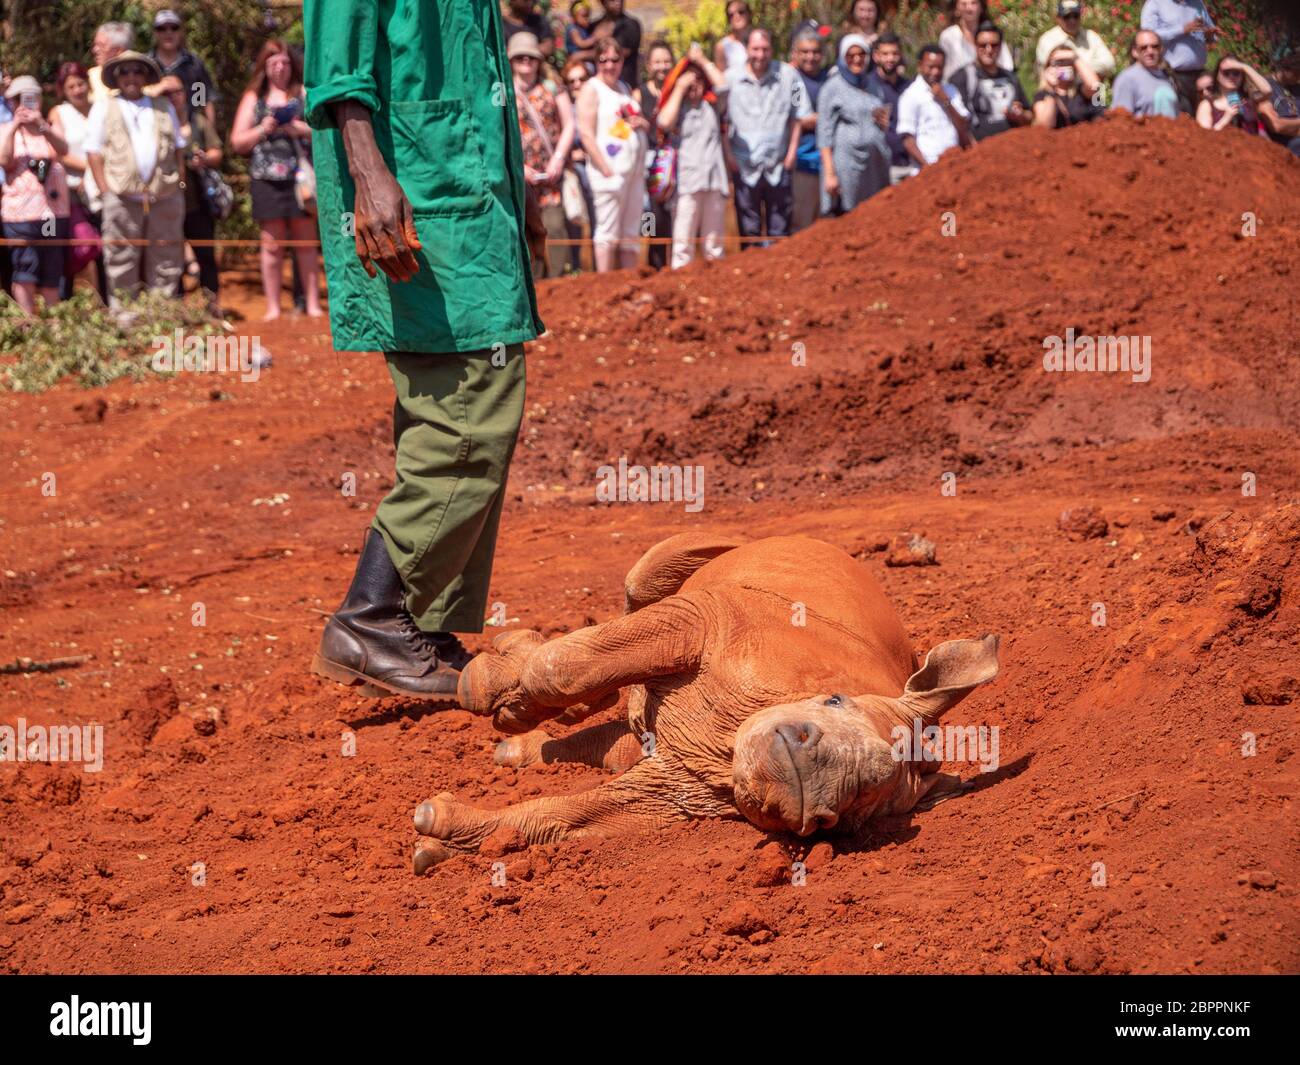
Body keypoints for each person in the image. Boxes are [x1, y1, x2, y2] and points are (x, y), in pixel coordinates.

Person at [304, 0, 543, 697]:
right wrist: (369, 173)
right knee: (471, 403)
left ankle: (415, 619)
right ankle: (371, 616)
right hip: (417, 192)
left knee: (448, 396)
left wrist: (515, 190)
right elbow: (337, 62)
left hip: (464, 191)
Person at [84, 52, 188, 311]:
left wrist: (180, 186)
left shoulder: (163, 107)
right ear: (116, 78)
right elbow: (93, 152)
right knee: (121, 256)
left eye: (137, 71)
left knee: (166, 254)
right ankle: (124, 316)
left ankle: (161, 314)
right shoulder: (103, 107)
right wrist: (105, 191)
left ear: (145, 76)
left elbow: (178, 148)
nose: (131, 76)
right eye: (125, 72)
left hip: (164, 196)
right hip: (121, 196)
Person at [230, 40, 322, 320]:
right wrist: (262, 129)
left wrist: (299, 130)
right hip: (266, 179)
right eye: (273, 63)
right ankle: (272, 308)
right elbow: (237, 142)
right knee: (272, 244)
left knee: (306, 243)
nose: (280, 68)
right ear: (264, 67)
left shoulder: (303, 94)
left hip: (301, 180)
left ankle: (313, 305)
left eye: (284, 62)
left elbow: (322, 132)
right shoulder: (253, 99)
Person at [723, 28, 811, 245]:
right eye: (755, 49)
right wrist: (729, 156)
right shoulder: (730, 78)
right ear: (747, 50)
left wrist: (792, 153)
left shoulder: (790, 76)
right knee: (748, 230)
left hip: (779, 164)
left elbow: (798, 115)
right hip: (743, 165)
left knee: (779, 230)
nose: (760, 55)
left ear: (772, 49)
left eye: (765, 49)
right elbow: (720, 120)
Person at [576, 36, 649, 271]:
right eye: (603, 60)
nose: (609, 65)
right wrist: (607, 171)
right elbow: (586, 134)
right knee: (607, 231)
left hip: (634, 173)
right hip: (608, 173)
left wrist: (640, 123)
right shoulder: (591, 88)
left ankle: (628, 282)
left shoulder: (624, 87)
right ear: (596, 61)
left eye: (615, 60)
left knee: (630, 232)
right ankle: (604, 287)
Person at [0, 76, 70, 313]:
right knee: (25, 269)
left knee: (52, 270)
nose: (26, 104)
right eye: (20, 99)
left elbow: (63, 149)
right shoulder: (5, 130)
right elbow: (4, 160)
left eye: (31, 98)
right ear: (11, 102)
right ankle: (28, 324)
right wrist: (14, 126)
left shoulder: (48, 127)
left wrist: (41, 124)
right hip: (21, 215)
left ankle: (54, 327)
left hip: (53, 213)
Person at [656, 45, 729, 269]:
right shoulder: (678, 107)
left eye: (698, 80)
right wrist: (679, 88)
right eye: (691, 80)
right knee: (683, 244)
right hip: (687, 183)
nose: (694, 85)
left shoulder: (713, 105)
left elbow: (725, 86)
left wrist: (703, 61)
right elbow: (663, 122)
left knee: (714, 245)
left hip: (714, 180)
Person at [512, 32, 576, 278]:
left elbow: (569, 123)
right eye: (520, 57)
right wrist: (519, 167)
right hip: (521, 177)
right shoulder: (503, 91)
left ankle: (558, 282)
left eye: (531, 57)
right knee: (527, 232)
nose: (526, 61)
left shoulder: (551, 87)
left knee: (555, 228)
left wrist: (558, 158)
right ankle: (536, 289)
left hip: (550, 177)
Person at [158, 74, 222, 310]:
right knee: (170, 259)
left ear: (185, 93)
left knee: (205, 255)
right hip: (165, 204)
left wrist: (204, 158)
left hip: (198, 204)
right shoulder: (155, 123)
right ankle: (176, 311)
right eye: (166, 93)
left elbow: (217, 151)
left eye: (176, 91)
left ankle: (212, 307)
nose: (172, 97)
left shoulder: (198, 121)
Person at [49, 62, 107, 301]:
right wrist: (90, 169)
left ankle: (107, 302)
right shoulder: (58, 113)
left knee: (105, 250)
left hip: (101, 190)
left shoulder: (102, 109)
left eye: (80, 84)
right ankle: (66, 305)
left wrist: (95, 175)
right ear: (64, 89)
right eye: (70, 86)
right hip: (70, 192)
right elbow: (57, 152)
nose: (77, 90)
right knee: (74, 248)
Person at [816, 35, 890, 217]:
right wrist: (830, 174)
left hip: (873, 167)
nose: (856, 59)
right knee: (846, 216)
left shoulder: (874, 87)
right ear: (842, 57)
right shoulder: (832, 88)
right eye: (851, 55)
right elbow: (824, 133)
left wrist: (882, 123)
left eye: (861, 54)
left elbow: (878, 121)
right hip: (846, 166)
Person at [949, 22, 1032, 141]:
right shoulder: (962, 77)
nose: (989, 50)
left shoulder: (1010, 77)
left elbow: (1029, 116)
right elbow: (957, 120)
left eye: (994, 45)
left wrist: (1019, 115)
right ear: (975, 45)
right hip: (980, 150)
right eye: (983, 45)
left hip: (1013, 146)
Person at [897, 44, 971, 171]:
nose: (935, 72)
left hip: (954, 164)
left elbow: (963, 125)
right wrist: (928, 168)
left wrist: (946, 101)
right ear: (920, 66)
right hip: (926, 169)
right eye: (931, 67)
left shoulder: (951, 91)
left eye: (940, 67)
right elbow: (907, 139)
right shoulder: (911, 95)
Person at [637, 40, 676, 269]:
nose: (662, 66)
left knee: (671, 221)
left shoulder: (677, 92)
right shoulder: (639, 93)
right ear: (648, 66)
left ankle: (670, 269)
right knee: (650, 219)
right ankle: (651, 266)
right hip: (648, 170)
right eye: (657, 61)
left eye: (666, 61)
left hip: (674, 168)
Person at [1140, 0, 1217, 114]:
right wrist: (1181, 30)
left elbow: (1210, 34)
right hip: (1172, 75)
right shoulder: (1155, 3)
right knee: (1182, 118)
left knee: (1203, 117)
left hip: (1199, 75)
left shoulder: (1197, 4)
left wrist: (1210, 35)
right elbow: (1147, 36)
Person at [148, 9, 218, 129]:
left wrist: (208, 136)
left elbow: (203, 101)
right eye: (162, 28)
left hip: (189, 132)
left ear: (181, 32)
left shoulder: (193, 64)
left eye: (174, 28)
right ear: (155, 33)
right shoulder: (144, 65)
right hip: (153, 131)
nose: (168, 33)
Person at [790, 29, 827, 232]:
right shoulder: (793, 81)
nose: (810, 57)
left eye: (815, 52)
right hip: (803, 161)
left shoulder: (828, 78)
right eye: (805, 52)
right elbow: (799, 119)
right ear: (795, 53)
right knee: (802, 222)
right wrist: (827, 119)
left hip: (828, 162)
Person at [562, 59, 597, 269]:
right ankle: (575, 268)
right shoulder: (566, 107)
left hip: (596, 172)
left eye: (581, 79)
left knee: (597, 224)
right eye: (571, 80)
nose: (576, 84)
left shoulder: (599, 103)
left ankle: (594, 271)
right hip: (573, 173)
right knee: (574, 223)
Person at [865, 33, 913, 185]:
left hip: (910, 163)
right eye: (885, 54)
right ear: (876, 56)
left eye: (895, 53)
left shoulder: (908, 87)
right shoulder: (867, 86)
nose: (890, 59)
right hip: (881, 166)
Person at [1035, 1, 1116, 80]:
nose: (1072, 20)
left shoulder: (1091, 36)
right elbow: (1050, 71)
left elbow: (1109, 63)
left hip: (1086, 90)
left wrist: (1079, 66)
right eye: (1067, 17)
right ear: (1058, 18)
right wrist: (1084, 71)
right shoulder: (1048, 39)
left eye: (1075, 16)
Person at [1110, 30, 1180, 118]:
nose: (1150, 51)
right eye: (1143, 48)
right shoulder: (1127, 79)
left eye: (1154, 46)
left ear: (1161, 49)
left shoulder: (1166, 76)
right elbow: (1120, 118)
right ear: (1134, 52)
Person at [1196, 55, 1271, 137]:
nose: (1231, 76)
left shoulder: (1248, 100)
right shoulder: (1207, 105)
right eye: (1226, 72)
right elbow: (1204, 138)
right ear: (1217, 76)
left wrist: (1244, 67)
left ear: (1242, 76)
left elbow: (1267, 90)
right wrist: (1226, 118)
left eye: (1236, 73)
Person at [1032, 43, 1102, 127]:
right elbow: (1044, 125)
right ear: (1048, 68)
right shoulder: (1042, 95)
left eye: (1067, 63)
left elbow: (1096, 86)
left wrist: (1075, 58)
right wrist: (1051, 90)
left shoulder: (1080, 91)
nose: (1063, 67)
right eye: (1058, 63)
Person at [940, 0, 1012, 76]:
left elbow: (1007, 64)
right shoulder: (948, 36)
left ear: (981, 8)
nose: (969, 8)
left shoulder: (992, 35)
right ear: (956, 8)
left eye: (973, 3)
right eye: (964, 4)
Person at [592, 0, 642, 88]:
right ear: (603, 3)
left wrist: (582, 55)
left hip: (625, 84)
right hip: (599, 84)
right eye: (612, 0)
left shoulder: (631, 25)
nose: (618, 2)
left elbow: (623, 52)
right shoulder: (594, 25)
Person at [1258, 55, 1300, 156]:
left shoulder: (1297, 88)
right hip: (1280, 147)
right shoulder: (1265, 86)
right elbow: (1276, 125)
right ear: (1285, 69)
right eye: (1297, 73)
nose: (1298, 77)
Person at [89, 22, 133, 105]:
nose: (95, 50)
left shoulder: (141, 75)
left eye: (101, 45)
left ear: (118, 51)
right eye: (95, 45)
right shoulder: (90, 76)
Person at [715, 1, 754, 73]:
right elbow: (720, 79)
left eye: (741, 12)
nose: (736, 16)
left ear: (749, 14)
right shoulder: (722, 46)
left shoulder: (761, 39)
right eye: (731, 15)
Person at [565, 2, 599, 67]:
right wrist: (594, 39)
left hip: (585, 58)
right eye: (584, 16)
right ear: (574, 17)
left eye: (588, 16)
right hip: (576, 57)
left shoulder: (585, 29)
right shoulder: (573, 29)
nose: (587, 19)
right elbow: (581, 43)